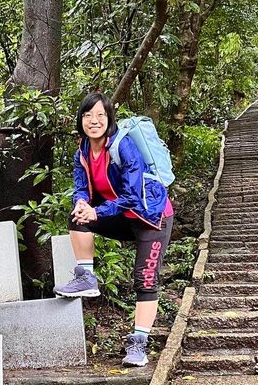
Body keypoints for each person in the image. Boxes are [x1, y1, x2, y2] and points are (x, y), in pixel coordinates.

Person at [54, 92, 173, 367]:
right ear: (80, 120)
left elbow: (132, 196)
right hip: (121, 216)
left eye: (100, 115)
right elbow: (81, 186)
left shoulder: (124, 146)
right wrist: (82, 203)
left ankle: (139, 345)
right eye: (87, 115)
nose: (93, 121)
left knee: (144, 279)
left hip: (151, 218)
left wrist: (98, 211)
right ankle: (86, 277)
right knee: (77, 216)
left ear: (109, 119)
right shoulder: (83, 151)